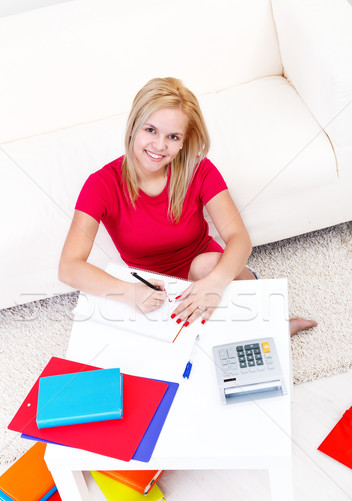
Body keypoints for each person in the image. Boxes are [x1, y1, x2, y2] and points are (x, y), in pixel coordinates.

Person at [59, 77, 317, 336]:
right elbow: (69, 267)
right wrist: (131, 293)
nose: (159, 146)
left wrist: (216, 282)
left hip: (208, 271)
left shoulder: (199, 169)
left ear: (184, 141)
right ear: (132, 127)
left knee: (208, 267)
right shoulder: (101, 185)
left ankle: (272, 320)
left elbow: (239, 238)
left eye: (172, 136)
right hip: (153, 288)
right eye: (150, 130)